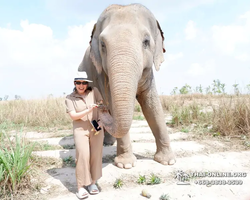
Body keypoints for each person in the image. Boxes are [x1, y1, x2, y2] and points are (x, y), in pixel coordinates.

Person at [65, 71, 104, 199]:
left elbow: (102, 105)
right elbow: (73, 116)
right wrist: (89, 110)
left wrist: (101, 120)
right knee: (82, 156)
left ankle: (93, 183)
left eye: (84, 83)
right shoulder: (69, 98)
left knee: (95, 156)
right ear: (74, 83)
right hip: (80, 129)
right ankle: (80, 187)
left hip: (96, 128)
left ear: (87, 83)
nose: (81, 85)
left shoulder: (94, 92)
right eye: (78, 83)